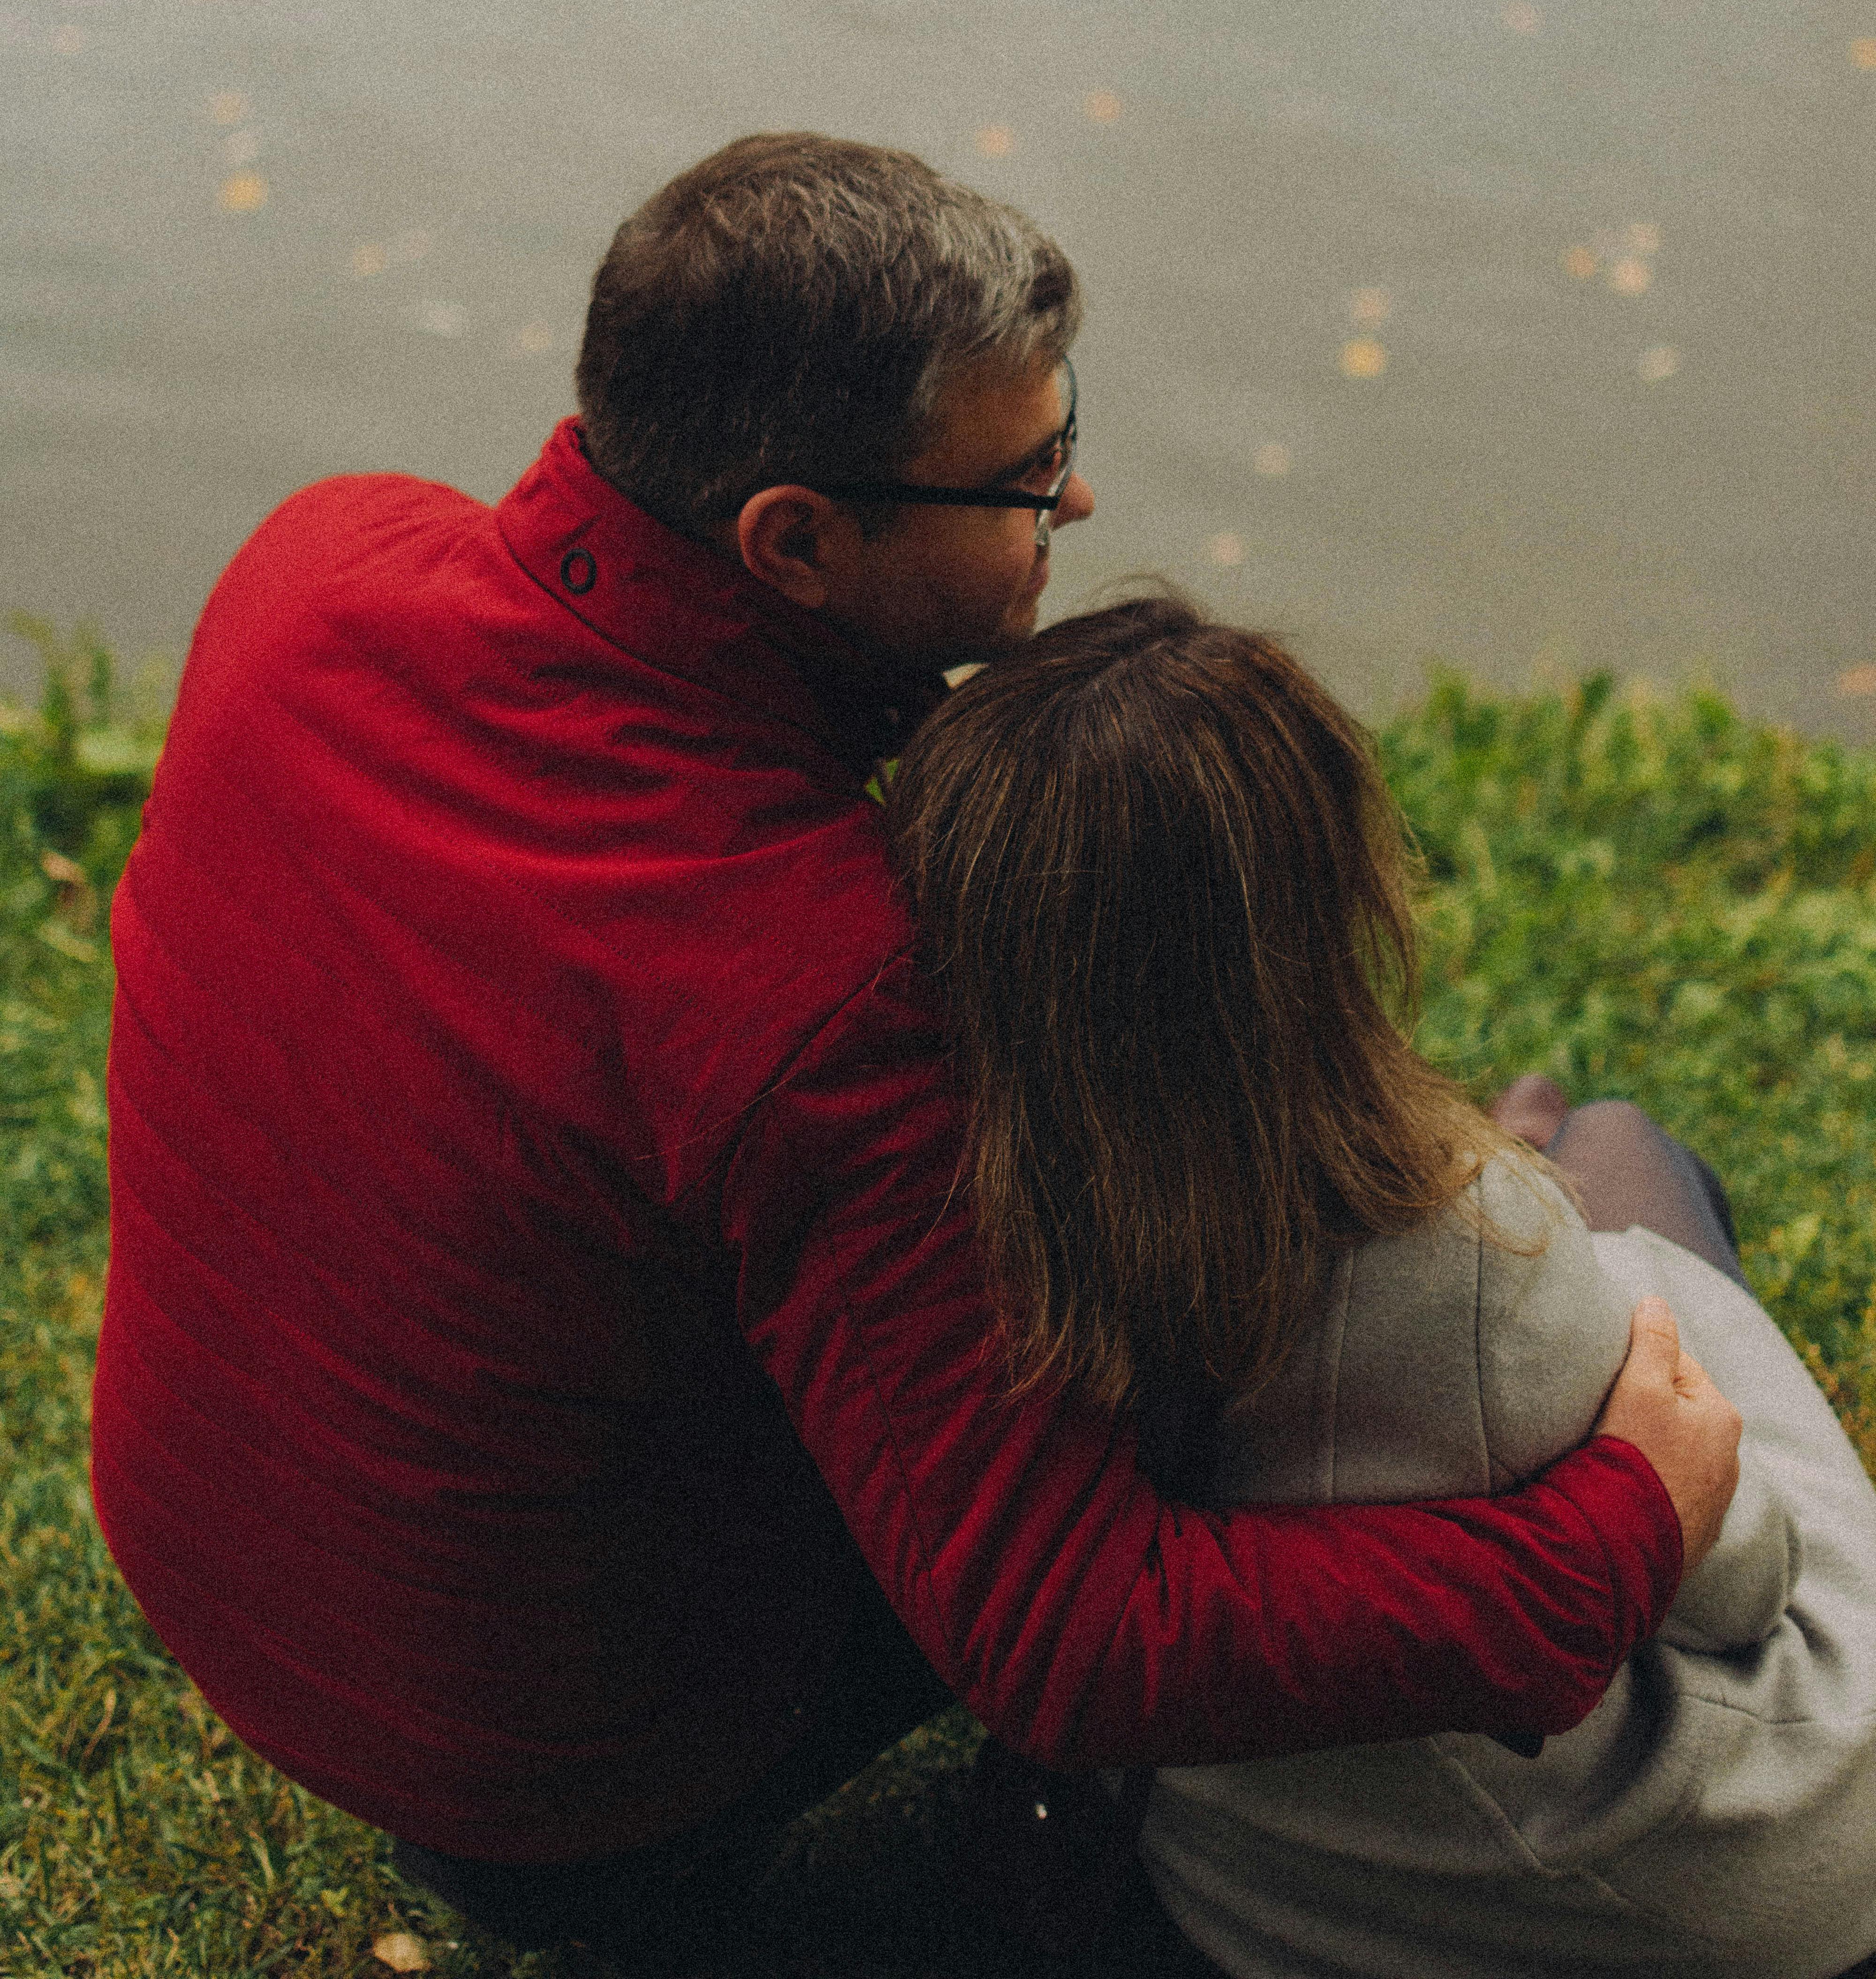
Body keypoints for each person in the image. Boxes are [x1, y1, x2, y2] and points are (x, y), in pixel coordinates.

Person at [91, 136, 1737, 1966]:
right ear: (794, 539)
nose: (1076, 498)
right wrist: (1602, 1545)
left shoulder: (316, 560)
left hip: (226, 1587)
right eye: (1022, 479)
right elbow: (1077, 1635)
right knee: (1404, 1276)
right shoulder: (819, 994)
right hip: (564, 1786)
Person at [885, 594, 1876, 1979]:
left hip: (1256, 1887)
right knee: (1630, 1158)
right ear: (1323, 893)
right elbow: (1740, 1574)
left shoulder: (935, 1228)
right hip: (1637, 1897)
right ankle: (1547, 1146)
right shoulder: (1468, 1272)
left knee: (1567, 1173)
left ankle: (1532, 1136)